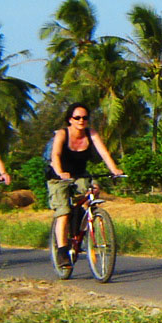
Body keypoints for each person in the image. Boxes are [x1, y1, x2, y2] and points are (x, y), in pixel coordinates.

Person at [46, 103, 125, 269]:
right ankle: (62, 251)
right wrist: (60, 172)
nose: (81, 120)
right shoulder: (62, 134)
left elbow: (104, 153)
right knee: (63, 211)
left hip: (80, 175)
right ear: (70, 119)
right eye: (77, 117)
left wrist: (114, 169)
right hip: (58, 176)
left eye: (85, 118)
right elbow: (56, 155)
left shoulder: (91, 134)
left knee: (90, 194)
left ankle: (79, 230)